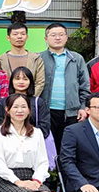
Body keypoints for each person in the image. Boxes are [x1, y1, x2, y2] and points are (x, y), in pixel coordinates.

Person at [39, 23, 90, 153]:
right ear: (46, 39)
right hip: (47, 111)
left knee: (70, 148)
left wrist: (83, 107)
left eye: (61, 35)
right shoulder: (38, 58)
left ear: (66, 38)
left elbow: (85, 86)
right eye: (53, 35)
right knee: (48, 148)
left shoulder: (76, 58)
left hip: (72, 113)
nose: (58, 38)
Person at [0, 67, 51, 139]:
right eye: (17, 79)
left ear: (30, 81)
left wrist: (25, 137)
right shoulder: (3, 102)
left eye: (25, 79)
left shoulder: (39, 103)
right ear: (11, 81)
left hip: (32, 141)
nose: (21, 82)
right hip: (7, 141)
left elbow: (44, 128)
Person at [0, 23, 45, 97]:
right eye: (15, 34)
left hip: (30, 101)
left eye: (23, 34)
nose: (19, 37)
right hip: (7, 101)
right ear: (8, 38)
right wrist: (9, 100)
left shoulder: (36, 59)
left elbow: (40, 83)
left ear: (27, 37)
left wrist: (29, 100)